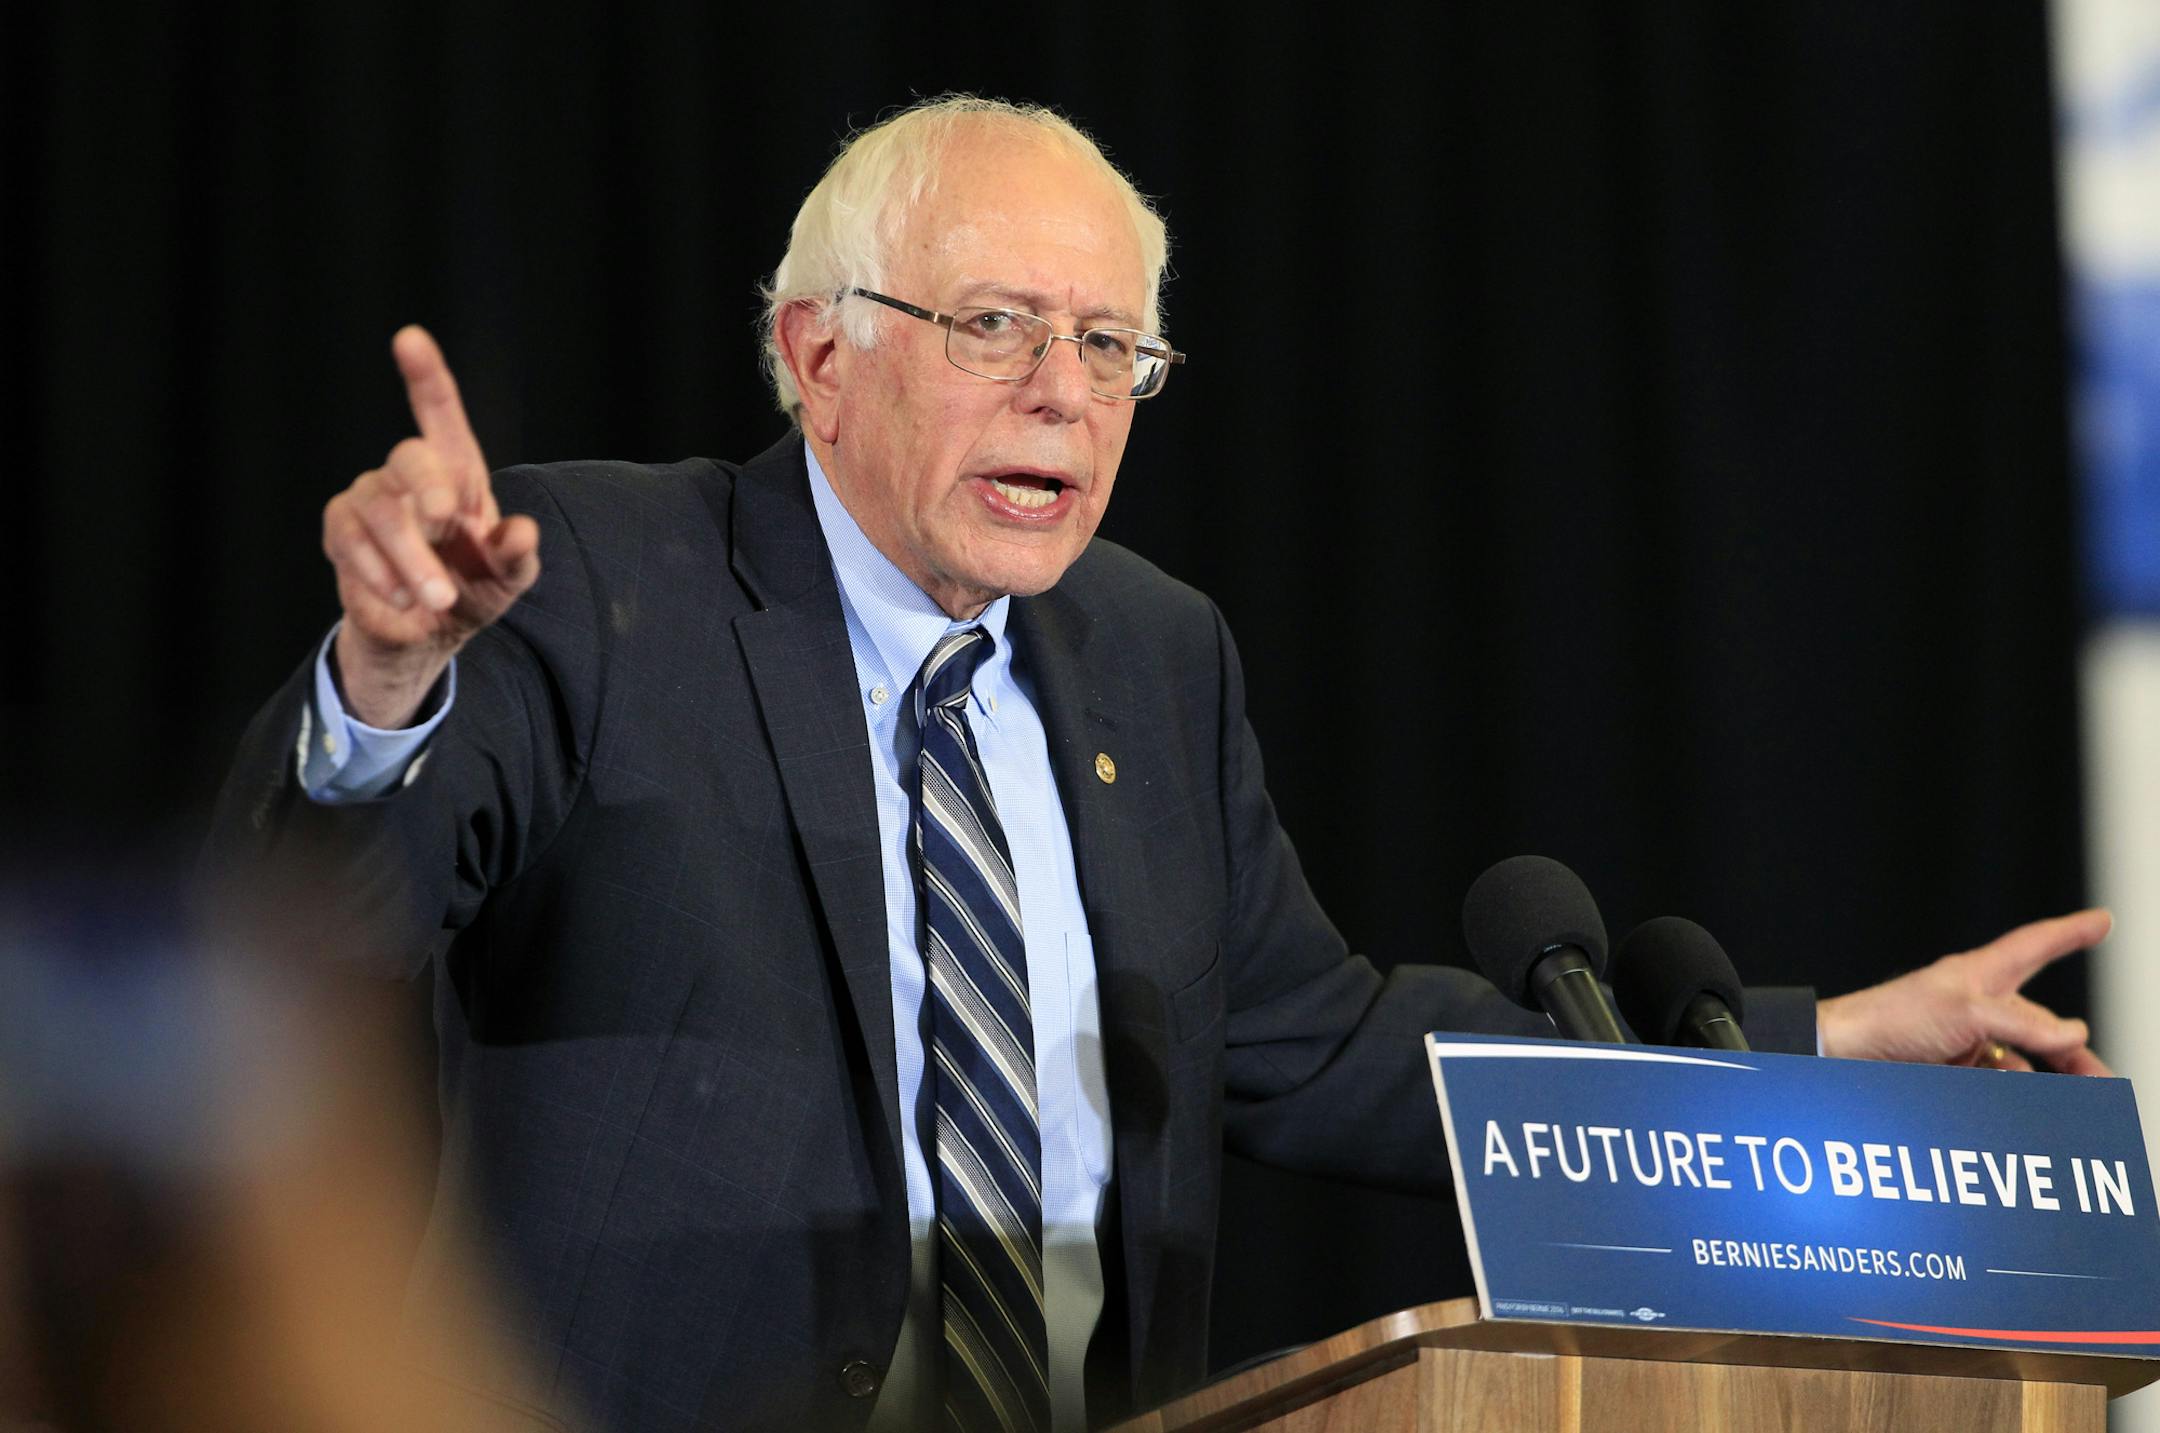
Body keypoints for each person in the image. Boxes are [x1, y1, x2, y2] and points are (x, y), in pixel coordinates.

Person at [208, 96, 2111, 1433]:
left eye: (1113, 346)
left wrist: (1814, 1045)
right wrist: (386, 678)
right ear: (819, 355)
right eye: (996, 327)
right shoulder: (600, 582)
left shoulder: (1150, 654)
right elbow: (301, 938)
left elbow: (1327, 1045)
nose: (1065, 390)